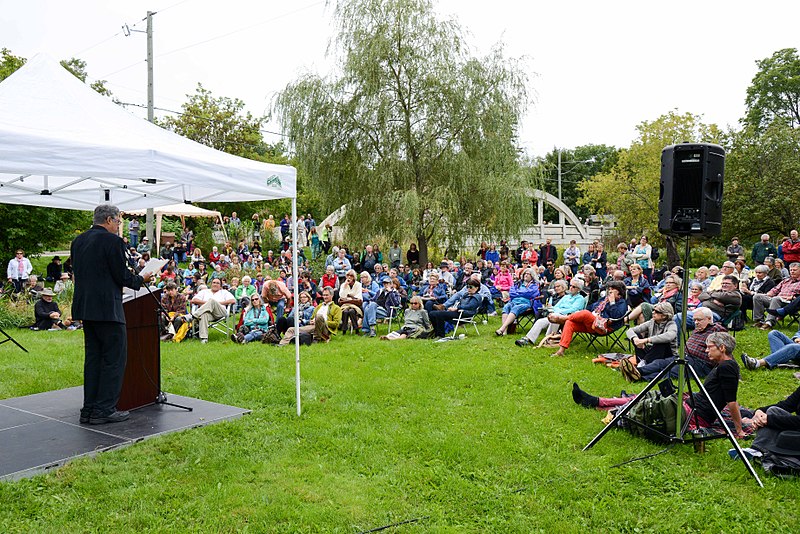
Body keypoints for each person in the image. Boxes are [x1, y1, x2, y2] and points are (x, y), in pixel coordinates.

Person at [572, 332, 747, 438]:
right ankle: (598, 402)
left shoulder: (728, 367)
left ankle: (605, 406)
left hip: (696, 414)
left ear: (722, 348)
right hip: (693, 404)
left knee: (649, 403)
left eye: (709, 347)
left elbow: (731, 401)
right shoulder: (724, 366)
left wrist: (738, 430)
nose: (706, 351)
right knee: (649, 396)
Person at [71, 204, 153, 425]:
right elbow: (122, 276)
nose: (119, 226)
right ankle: (104, 409)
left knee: (94, 359)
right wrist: (142, 279)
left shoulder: (78, 241)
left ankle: (89, 409)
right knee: (114, 360)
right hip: (108, 309)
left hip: (86, 308)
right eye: (118, 222)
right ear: (108, 220)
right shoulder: (112, 241)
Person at [636, 307, 727, 381]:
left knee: (673, 371)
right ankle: (637, 371)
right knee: (660, 363)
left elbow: (726, 351)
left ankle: (642, 378)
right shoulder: (699, 329)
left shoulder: (717, 329)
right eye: (694, 320)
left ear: (709, 319)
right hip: (685, 357)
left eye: (699, 320)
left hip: (701, 363)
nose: (696, 323)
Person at [550, 280, 628, 357]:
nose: (609, 291)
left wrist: (612, 303)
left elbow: (616, 316)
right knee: (570, 323)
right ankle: (561, 351)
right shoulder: (604, 299)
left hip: (603, 327)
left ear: (619, 292)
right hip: (591, 323)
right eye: (609, 289)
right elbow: (590, 307)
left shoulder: (622, 302)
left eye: (612, 289)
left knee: (585, 314)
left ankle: (564, 318)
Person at [515, 278, 585, 347]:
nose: (571, 288)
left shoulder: (580, 299)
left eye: (574, 287)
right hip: (556, 314)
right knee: (540, 321)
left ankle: (548, 339)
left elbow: (574, 309)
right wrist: (555, 312)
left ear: (578, 289)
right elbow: (556, 307)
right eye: (570, 286)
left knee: (554, 319)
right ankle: (528, 339)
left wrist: (559, 312)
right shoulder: (566, 297)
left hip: (567, 317)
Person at [175, 278, 236, 343]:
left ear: (220, 286)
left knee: (212, 301)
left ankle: (192, 316)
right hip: (208, 313)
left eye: (217, 283)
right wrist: (207, 303)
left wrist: (216, 303)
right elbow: (194, 300)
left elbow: (233, 300)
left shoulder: (224, 292)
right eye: (214, 282)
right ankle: (204, 339)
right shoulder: (204, 291)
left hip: (220, 312)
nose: (215, 284)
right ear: (211, 284)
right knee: (204, 314)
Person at [753, 262, 800, 330]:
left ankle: (769, 323)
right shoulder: (786, 280)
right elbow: (775, 289)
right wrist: (768, 294)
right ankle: (759, 321)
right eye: (791, 270)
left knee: (776, 299)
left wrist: (793, 297)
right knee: (757, 296)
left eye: (794, 270)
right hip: (776, 299)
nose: (792, 272)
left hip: (789, 302)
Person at [495, 268, 541, 336]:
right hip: (514, 301)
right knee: (506, 307)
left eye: (528, 274)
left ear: (532, 276)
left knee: (516, 308)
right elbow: (512, 292)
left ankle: (502, 329)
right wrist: (523, 293)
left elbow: (530, 294)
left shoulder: (534, 285)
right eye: (525, 273)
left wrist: (518, 293)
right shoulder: (518, 283)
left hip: (526, 303)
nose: (526, 275)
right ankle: (504, 332)